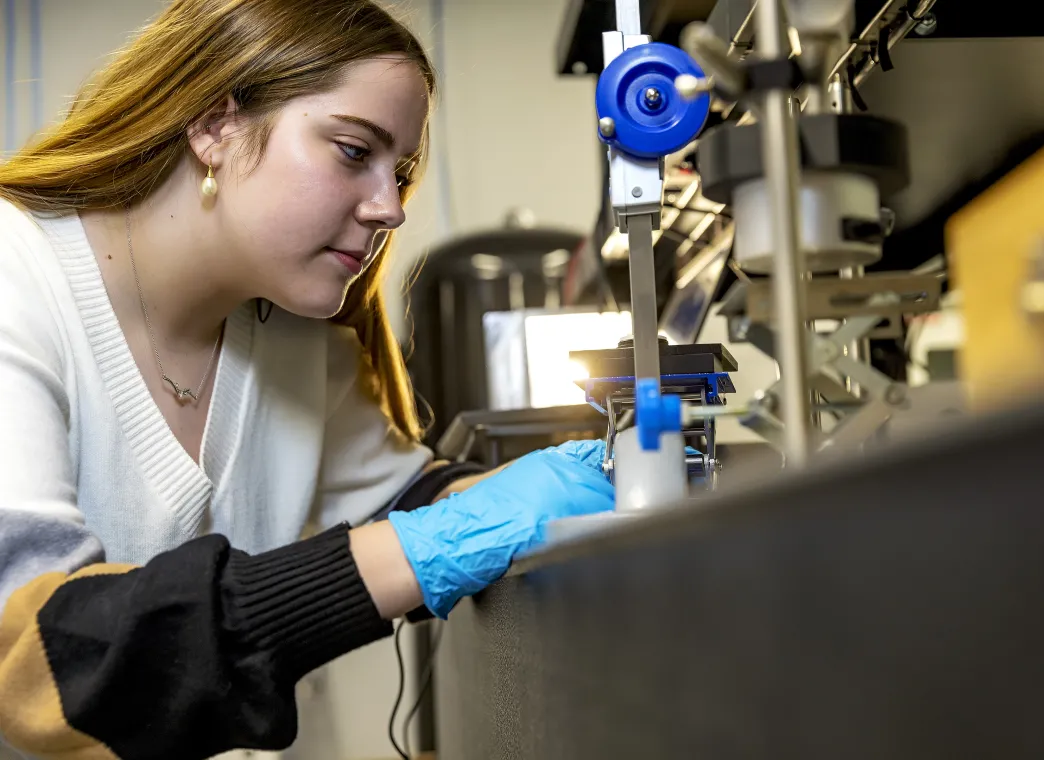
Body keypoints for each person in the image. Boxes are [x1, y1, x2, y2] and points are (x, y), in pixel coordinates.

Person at [0, 1, 615, 758]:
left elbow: (409, 495)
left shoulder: (296, 348)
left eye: (402, 171)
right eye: (355, 151)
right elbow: (40, 661)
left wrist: (579, 489)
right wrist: (432, 546)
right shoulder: (16, 279)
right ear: (215, 126)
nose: (390, 207)